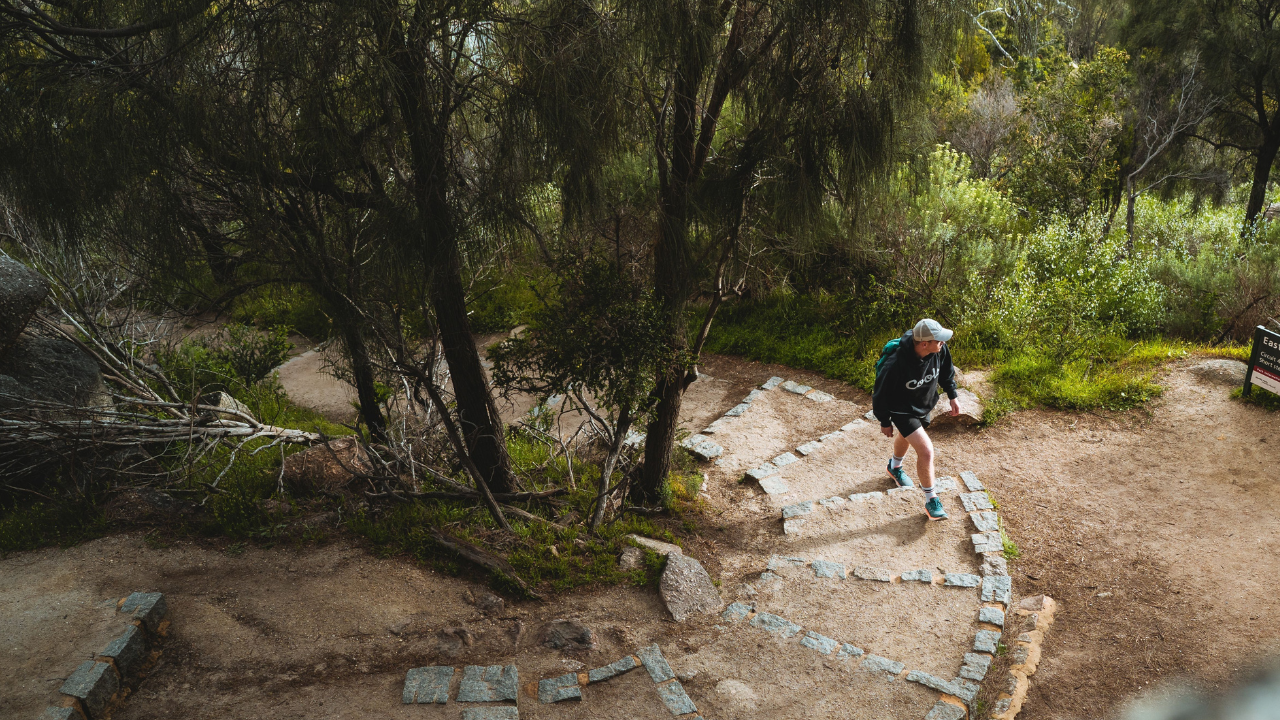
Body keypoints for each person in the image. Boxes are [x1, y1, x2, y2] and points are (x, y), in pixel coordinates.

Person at [871, 318, 960, 521]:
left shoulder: (939, 350)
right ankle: (931, 499)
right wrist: (884, 421)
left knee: (907, 436)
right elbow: (880, 394)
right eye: (939, 340)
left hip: (923, 405)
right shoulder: (895, 364)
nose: (943, 343)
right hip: (902, 410)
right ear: (923, 344)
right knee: (926, 450)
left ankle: (894, 467)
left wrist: (952, 395)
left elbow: (947, 371)